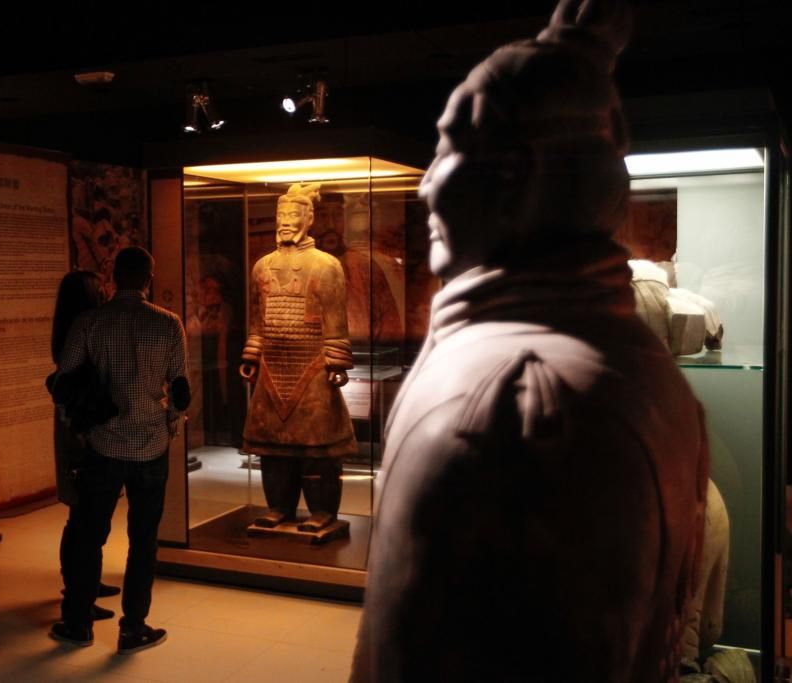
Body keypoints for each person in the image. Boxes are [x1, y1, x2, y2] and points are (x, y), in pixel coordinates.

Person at [351, 1, 709, 681]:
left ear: (523, 178)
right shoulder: (625, 359)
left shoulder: (502, 408)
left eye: (451, 150)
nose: (426, 185)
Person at [49, 246, 187, 654]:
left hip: (104, 444)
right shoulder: (168, 323)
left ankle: (77, 623)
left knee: (89, 535)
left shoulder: (90, 322)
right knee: (143, 540)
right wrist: (170, 428)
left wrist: (79, 421)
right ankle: (133, 627)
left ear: (113, 276)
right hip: (150, 444)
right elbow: (180, 388)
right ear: (150, 277)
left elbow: (64, 379)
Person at [239, 182, 357, 533]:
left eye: (293, 215)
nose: (285, 222)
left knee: (316, 449)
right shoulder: (262, 266)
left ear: (309, 218)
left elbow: (337, 321)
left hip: (312, 367)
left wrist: (336, 362)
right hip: (273, 369)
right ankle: (279, 507)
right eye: (281, 215)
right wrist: (253, 353)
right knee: (273, 448)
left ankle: (322, 511)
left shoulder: (326, 265)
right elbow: (257, 320)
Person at [49, 270, 120, 621]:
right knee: (82, 517)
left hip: (79, 423)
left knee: (89, 515)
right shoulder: (80, 334)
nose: (104, 292)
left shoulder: (76, 330)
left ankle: (86, 581)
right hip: (78, 426)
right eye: (98, 290)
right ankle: (77, 588)